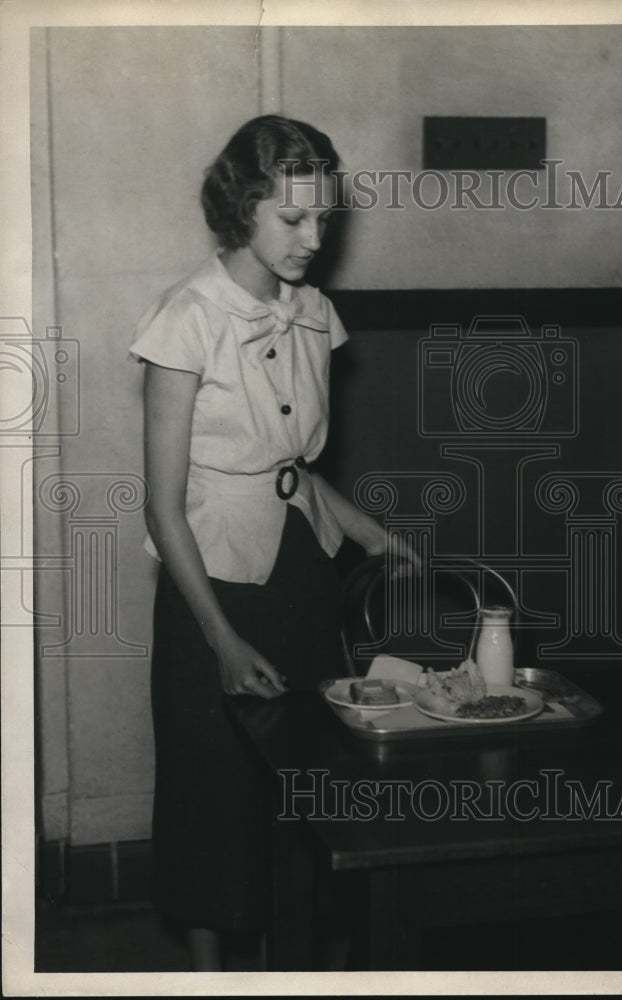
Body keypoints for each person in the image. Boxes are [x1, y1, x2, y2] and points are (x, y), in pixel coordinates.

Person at [130, 115, 409, 970]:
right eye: (293, 220)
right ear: (241, 206)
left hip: (300, 570)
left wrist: (372, 533)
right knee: (210, 791)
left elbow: (291, 468)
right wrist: (221, 640)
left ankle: (291, 966)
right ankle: (214, 979)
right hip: (210, 586)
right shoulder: (186, 320)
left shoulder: (315, 313)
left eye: (323, 219)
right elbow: (162, 507)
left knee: (304, 787)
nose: (314, 240)